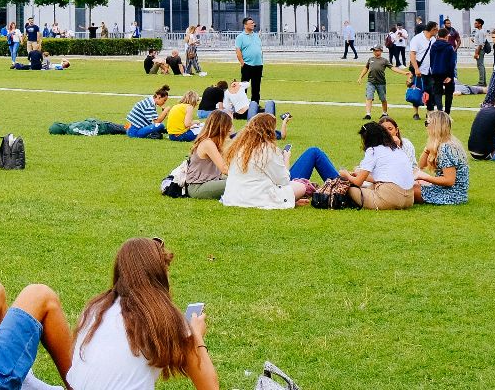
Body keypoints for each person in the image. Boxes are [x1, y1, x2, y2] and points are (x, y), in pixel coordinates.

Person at [66, 237, 219, 390]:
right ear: (159, 274)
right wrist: (196, 335)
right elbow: (210, 387)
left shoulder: (95, 308)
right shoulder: (164, 318)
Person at [220, 113, 329, 209]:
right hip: (257, 197)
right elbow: (283, 181)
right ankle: (339, 186)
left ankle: (336, 185)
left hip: (234, 197)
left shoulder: (238, 148)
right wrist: (286, 158)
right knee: (302, 185)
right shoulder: (267, 150)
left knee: (301, 180)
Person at [337, 121, 414, 209]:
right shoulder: (396, 148)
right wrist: (359, 175)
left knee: (349, 189)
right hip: (409, 199)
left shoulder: (373, 150)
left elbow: (358, 182)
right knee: (371, 186)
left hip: (389, 200)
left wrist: (345, 174)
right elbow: (384, 178)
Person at [413, 109, 470, 205]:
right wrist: (427, 149)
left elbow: (449, 181)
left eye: (427, 123)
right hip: (455, 193)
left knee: (408, 191)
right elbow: (421, 166)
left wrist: (424, 177)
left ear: (435, 126)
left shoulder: (446, 148)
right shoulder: (445, 143)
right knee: (415, 184)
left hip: (452, 195)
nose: (426, 127)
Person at [181, 111, 233, 200]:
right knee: (238, 182)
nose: (231, 129)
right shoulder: (208, 143)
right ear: (221, 127)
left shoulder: (214, 142)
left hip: (210, 180)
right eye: (229, 125)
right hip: (197, 187)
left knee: (240, 181)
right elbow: (224, 169)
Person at [233, 18, 264, 104]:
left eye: (253, 23)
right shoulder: (240, 37)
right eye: (250, 23)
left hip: (258, 65)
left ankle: (255, 104)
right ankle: (242, 105)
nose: (253, 25)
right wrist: (242, 62)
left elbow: (259, 49)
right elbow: (238, 50)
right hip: (247, 65)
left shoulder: (256, 36)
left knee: (256, 87)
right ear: (245, 25)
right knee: (244, 86)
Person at [427, 26, 457, 114]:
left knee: (437, 92)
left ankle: (440, 110)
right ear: (446, 36)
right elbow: (452, 63)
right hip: (447, 72)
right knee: (449, 93)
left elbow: (431, 60)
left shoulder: (433, 46)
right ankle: (447, 112)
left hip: (436, 72)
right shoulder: (449, 47)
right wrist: (450, 75)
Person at [362, 45, 391, 119]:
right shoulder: (370, 59)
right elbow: (366, 68)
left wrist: (403, 73)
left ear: (381, 51)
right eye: (374, 50)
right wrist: (360, 77)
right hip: (371, 81)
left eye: (377, 50)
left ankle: (384, 113)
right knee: (369, 97)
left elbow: (392, 68)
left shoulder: (384, 60)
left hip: (381, 82)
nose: (375, 52)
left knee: (383, 98)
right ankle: (368, 114)